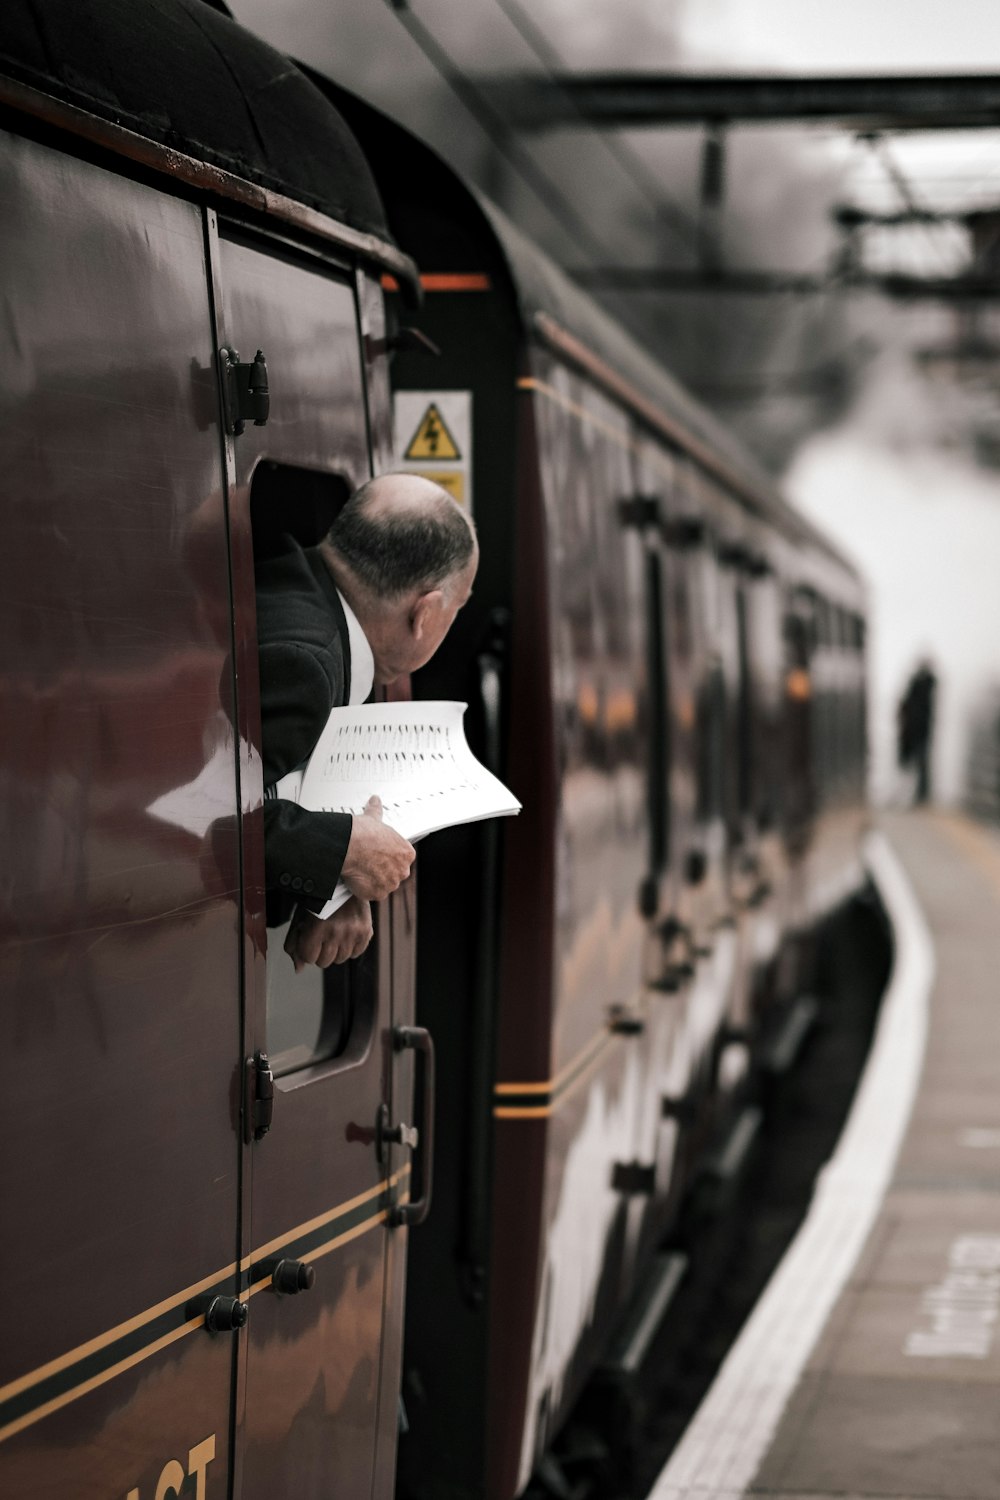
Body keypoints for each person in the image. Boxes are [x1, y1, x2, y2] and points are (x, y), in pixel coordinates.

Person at [257, 472, 478, 969]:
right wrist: (341, 854)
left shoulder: (294, 584)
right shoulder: (306, 665)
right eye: (457, 608)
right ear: (425, 614)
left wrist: (337, 880)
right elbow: (200, 818)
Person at [897, 659, 937, 806]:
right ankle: (919, 796)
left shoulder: (922, 686)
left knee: (918, 764)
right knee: (919, 765)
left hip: (917, 732)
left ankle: (920, 796)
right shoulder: (924, 688)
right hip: (918, 732)